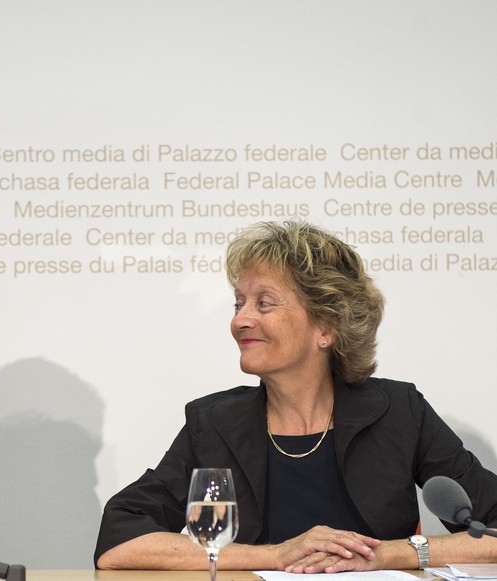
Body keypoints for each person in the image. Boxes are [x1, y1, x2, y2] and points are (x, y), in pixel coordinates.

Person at [95, 220, 497, 573]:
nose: (239, 320)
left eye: (263, 303)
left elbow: (490, 530)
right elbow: (119, 541)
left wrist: (391, 554)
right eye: (239, 303)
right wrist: (276, 555)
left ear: (326, 326)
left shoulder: (399, 412)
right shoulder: (216, 423)